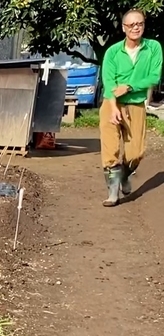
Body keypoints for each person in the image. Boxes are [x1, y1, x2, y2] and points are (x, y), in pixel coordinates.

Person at [100, 9, 163, 206]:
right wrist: (113, 107)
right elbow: (108, 81)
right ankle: (112, 194)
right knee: (110, 149)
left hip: (135, 103)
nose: (136, 28)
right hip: (112, 103)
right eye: (131, 25)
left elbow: (154, 76)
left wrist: (129, 86)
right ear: (124, 28)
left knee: (136, 152)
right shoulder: (113, 52)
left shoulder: (153, 48)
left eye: (140, 24)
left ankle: (124, 175)